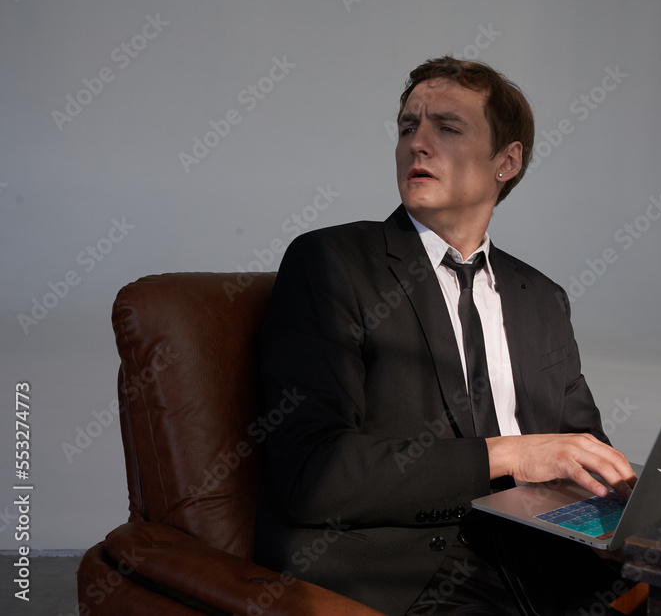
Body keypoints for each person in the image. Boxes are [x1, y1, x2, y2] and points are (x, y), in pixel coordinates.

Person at [255, 56, 637, 615]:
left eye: (447, 127)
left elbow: (578, 446)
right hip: (411, 567)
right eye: (408, 126)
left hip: (542, 555)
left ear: (507, 161)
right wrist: (510, 454)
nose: (418, 144)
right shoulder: (331, 263)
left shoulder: (543, 297)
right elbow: (313, 473)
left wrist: (631, 492)